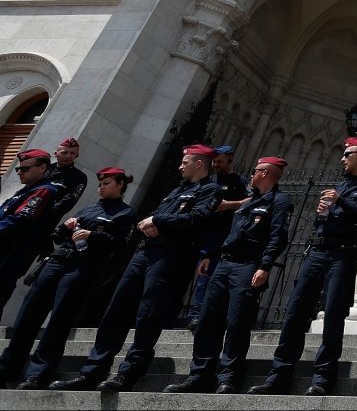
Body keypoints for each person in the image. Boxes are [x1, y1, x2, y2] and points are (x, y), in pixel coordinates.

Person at [50, 144, 221, 392]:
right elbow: (152, 216)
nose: (180, 166)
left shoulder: (210, 190)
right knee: (117, 308)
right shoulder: (177, 190)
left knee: (149, 313)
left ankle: (129, 372)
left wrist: (158, 220)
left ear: (198, 163)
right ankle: (92, 371)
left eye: (185, 162)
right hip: (145, 251)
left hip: (172, 254)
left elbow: (196, 219)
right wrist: (147, 223)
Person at [249, 137, 357, 396]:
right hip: (318, 251)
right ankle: (279, 375)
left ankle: (323, 378)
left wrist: (340, 201)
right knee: (296, 311)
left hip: (343, 254)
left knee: (334, 315)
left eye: (347, 154)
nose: (342, 158)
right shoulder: (341, 183)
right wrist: (323, 211)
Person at [166, 156, 293, 394]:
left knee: (237, 322)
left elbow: (278, 236)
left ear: (264, 173)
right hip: (225, 263)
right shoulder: (247, 203)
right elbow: (231, 235)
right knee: (207, 320)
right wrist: (211, 255)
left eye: (255, 170)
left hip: (248, 265)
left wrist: (264, 266)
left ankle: (228, 376)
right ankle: (200, 374)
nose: (251, 174)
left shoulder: (279, 201)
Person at [0, 167, 137, 389]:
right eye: (100, 184)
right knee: (29, 314)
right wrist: (66, 227)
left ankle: (37, 374)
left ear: (120, 185)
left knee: (59, 320)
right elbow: (58, 236)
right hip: (56, 261)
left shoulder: (124, 213)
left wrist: (93, 235)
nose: (101, 188)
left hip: (81, 267)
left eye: (107, 184)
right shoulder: (90, 208)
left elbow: (120, 245)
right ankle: (7, 367)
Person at [186, 144, 249, 331]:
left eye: (219, 161)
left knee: (208, 276)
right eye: (213, 161)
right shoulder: (209, 180)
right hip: (200, 233)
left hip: (222, 235)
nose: (215, 165)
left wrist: (228, 205)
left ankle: (198, 314)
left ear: (230, 160)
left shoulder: (239, 181)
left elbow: (251, 201)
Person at [0, 150, 61, 312]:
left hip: (10, 254)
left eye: (25, 169)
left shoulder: (44, 190)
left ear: (42, 168)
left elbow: (19, 221)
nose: (19, 172)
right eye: (18, 169)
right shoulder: (27, 190)